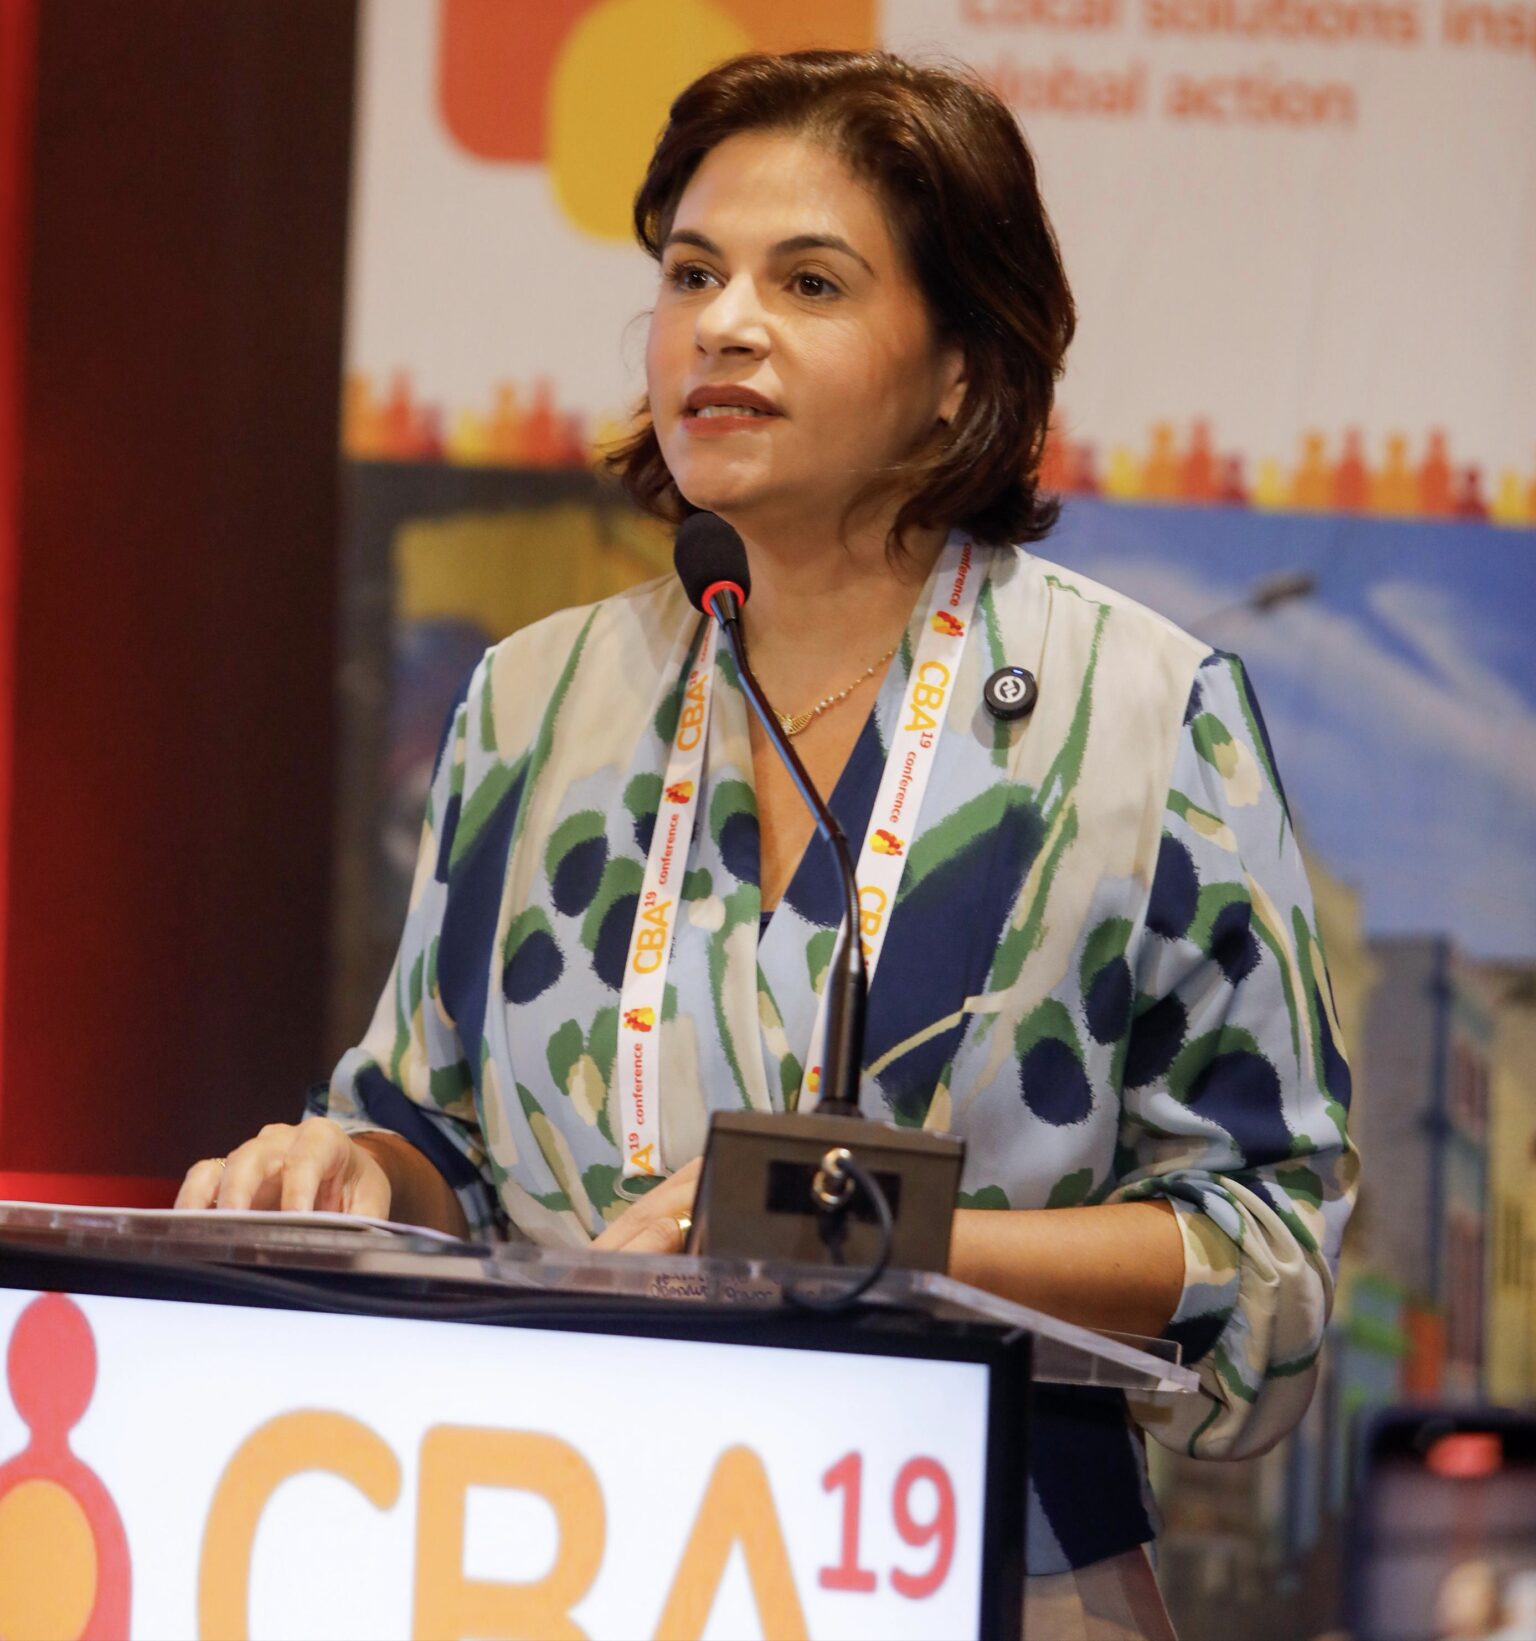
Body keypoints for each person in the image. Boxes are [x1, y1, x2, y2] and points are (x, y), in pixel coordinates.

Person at [177, 49, 1356, 1637]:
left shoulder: (1140, 714)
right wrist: (346, 1170)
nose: (723, 323)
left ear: (959, 368)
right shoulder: (533, 699)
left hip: (977, 1564)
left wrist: (867, 1237)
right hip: (555, 1549)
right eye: (690, 274)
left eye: (808, 281)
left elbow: (1267, 1253)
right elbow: (434, 1139)